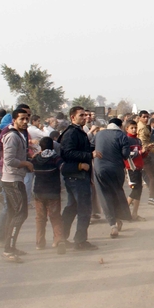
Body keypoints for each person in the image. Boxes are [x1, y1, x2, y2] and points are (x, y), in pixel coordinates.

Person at [59, 106, 100, 250]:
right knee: (84, 209)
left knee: (72, 207)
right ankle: (80, 240)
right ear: (72, 117)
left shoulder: (79, 132)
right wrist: (88, 156)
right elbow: (68, 153)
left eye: (86, 115)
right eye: (81, 115)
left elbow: (80, 149)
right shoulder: (71, 133)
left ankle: (61, 237)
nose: (85, 117)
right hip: (76, 176)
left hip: (77, 176)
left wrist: (92, 151)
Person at [0, 109, 35, 263]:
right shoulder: (12, 136)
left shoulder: (19, 135)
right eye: (22, 119)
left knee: (14, 213)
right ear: (14, 120)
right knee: (20, 214)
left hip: (15, 178)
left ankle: (10, 247)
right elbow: (9, 160)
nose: (25, 122)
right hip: (12, 179)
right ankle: (8, 249)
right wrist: (26, 163)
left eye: (27, 119)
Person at [93, 118, 133, 238]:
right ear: (120, 126)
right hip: (116, 169)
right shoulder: (121, 135)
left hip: (99, 169)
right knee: (117, 193)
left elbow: (91, 147)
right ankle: (119, 218)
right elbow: (125, 154)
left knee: (105, 196)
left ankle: (112, 224)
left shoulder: (98, 134)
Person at [32, 136, 67, 254]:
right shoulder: (55, 158)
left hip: (39, 192)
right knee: (55, 216)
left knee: (40, 218)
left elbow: (29, 169)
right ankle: (58, 240)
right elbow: (64, 168)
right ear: (52, 146)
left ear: (40, 147)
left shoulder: (36, 158)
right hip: (53, 192)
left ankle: (40, 243)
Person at [123, 119, 147, 221]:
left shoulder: (138, 140)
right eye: (131, 128)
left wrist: (146, 151)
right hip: (131, 168)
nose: (134, 130)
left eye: (135, 128)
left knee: (139, 191)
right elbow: (127, 155)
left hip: (139, 168)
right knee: (135, 190)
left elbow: (142, 155)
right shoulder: (126, 140)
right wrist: (141, 152)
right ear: (126, 129)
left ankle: (134, 214)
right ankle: (123, 212)